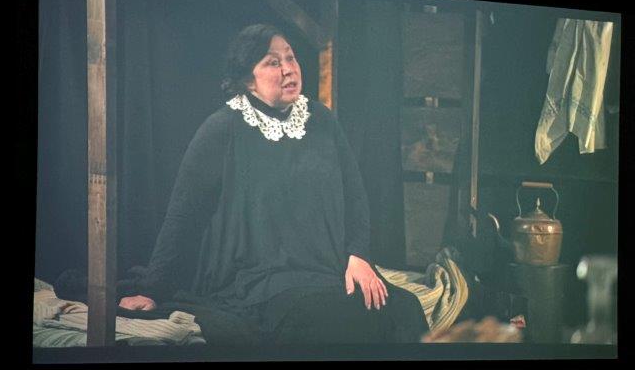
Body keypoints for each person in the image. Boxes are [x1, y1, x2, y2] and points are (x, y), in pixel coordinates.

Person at [117, 24, 427, 347]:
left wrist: (358, 255)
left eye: (290, 58)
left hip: (331, 271)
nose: (288, 69)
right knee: (329, 317)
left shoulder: (322, 121)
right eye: (273, 62)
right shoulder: (223, 128)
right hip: (262, 284)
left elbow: (355, 198)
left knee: (405, 310)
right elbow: (184, 215)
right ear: (247, 79)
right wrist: (151, 290)